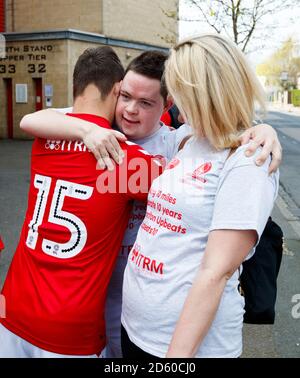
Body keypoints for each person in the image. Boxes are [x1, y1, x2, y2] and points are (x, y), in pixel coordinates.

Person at [20, 51, 282, 358]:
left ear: (167, 106)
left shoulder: (176, 143)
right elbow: (32, 119)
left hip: (158, 299)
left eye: (145, 103)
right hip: (99, 288)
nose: (130, 110)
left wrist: (263, 129)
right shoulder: (98, 129)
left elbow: (225, 126)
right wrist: (87, 130)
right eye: (125, 96)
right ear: (115, 91)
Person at [120, 34, 279, 358]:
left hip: (179, 347)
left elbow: (215, 272)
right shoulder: (192, 139)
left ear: (204, 92)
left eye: (179, 87)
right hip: (135, 330)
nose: (173, 98)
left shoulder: (248, 161)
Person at [0, 46, 161, 358]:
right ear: (118, 90)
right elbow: (192, 186)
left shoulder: (42, 139)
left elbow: (38, 119)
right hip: (70, 326)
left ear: (75, 86)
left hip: (13, 308)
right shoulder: (122, 160)